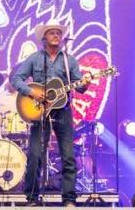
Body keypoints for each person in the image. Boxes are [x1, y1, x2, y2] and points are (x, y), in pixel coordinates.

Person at [11, 22, 90, 207]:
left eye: (58, 33)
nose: (56, 36)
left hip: (62, 111)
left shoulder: (69, 60)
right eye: (52, 33)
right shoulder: (34, 58)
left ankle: (69, 199)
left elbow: (80, 86)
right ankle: (32, 198)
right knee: (35, 155)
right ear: (44, 38)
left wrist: (85, 83)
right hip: (40, 111)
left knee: (68, 156)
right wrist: (32, 92)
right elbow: (16, 78)